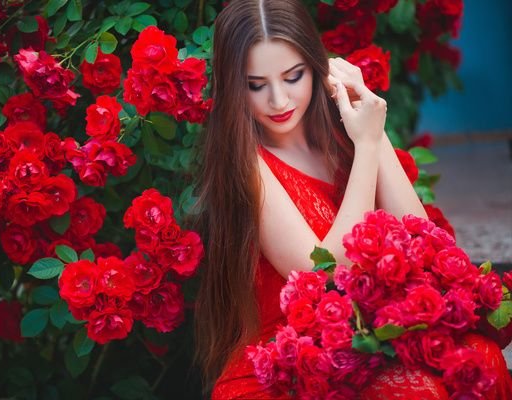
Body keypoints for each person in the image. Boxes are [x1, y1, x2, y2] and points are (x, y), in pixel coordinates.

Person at [194, 0, 512, 399]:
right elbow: (324, 275)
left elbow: (426, 242)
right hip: (289, 364)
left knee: (484, 360)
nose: (278, 101)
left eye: (293, 77)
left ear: (317, 66)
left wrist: (367, 122)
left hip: (366, 341)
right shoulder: (248, 163)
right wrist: (366, 144)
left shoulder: (346, 131)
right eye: (255, 85)